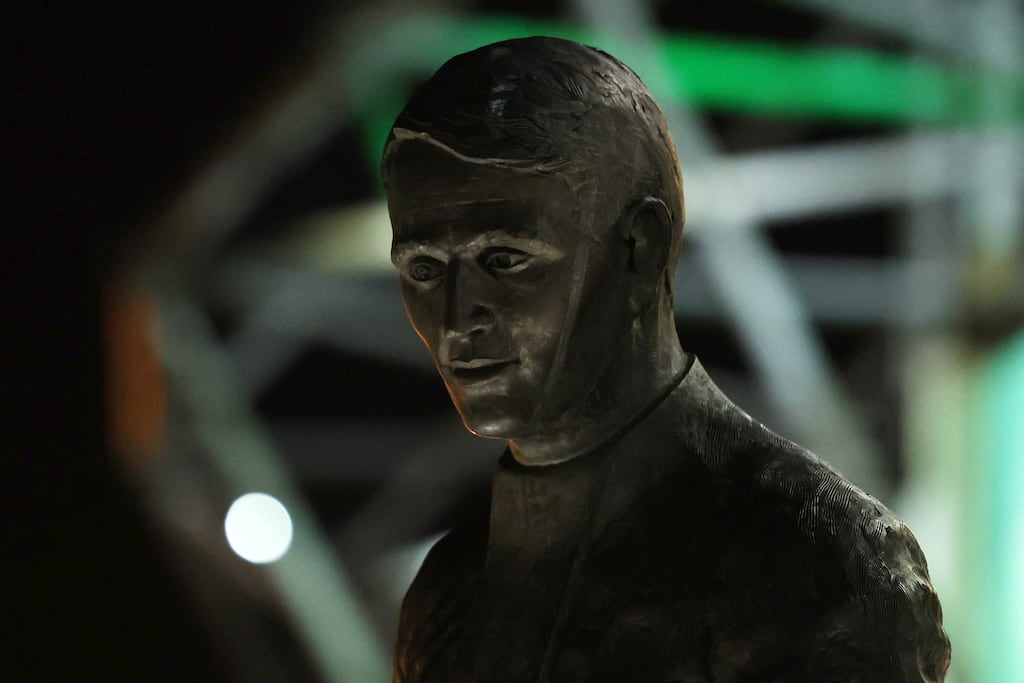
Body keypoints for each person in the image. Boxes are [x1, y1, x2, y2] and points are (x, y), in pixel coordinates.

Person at [381, 36, 950, 683]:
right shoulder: (450, 590)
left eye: (505, 259)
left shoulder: (816, 559)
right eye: (424, 269)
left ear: (640, 245)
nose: (457, 318)